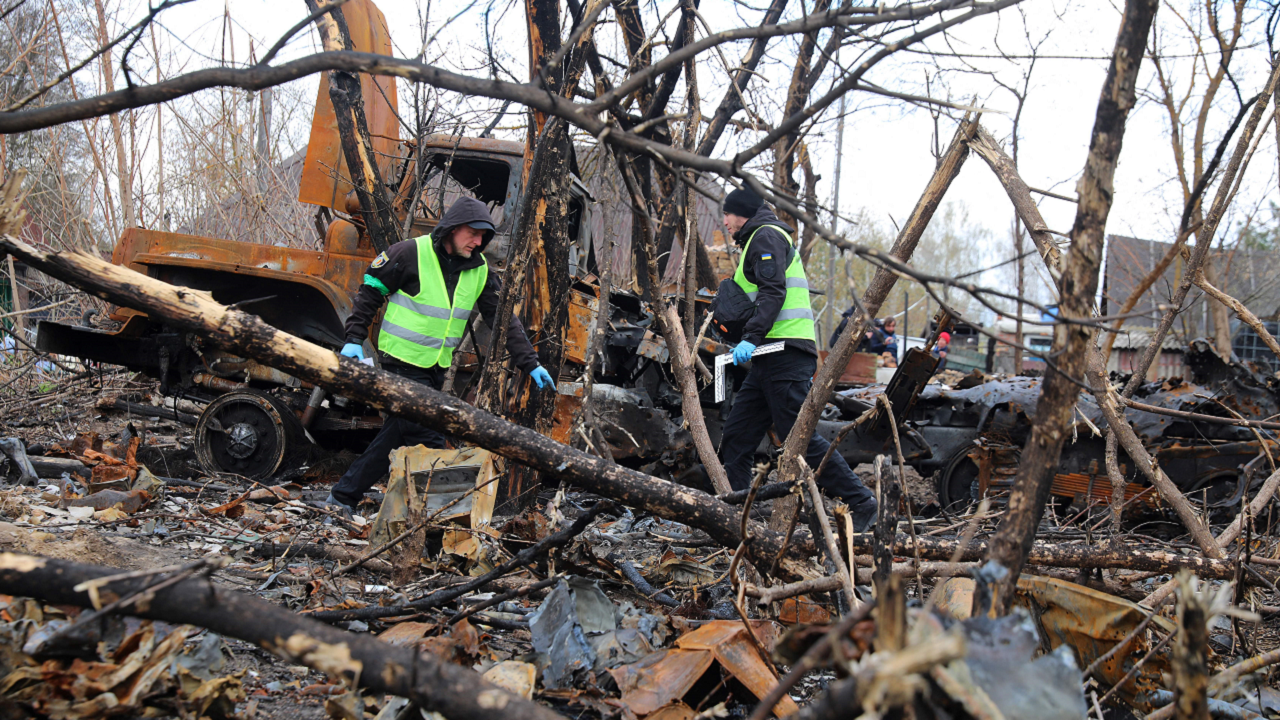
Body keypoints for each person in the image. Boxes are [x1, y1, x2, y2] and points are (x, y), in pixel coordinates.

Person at [326, 197, 554, 514]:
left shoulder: (479, 270)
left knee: (398, 433)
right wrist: (353, 338)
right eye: (473, 233)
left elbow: (502, 321)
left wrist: (530, 362)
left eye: (483, 237)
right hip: (401, 362)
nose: (478, 242)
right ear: (452, 228)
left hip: (435, 368)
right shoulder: (409, 253)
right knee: (428, 435)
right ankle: (443, 509)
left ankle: (348, 499)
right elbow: (370, 291)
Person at [717, 188, 877, 531]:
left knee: (798, 437)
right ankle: (740, 514)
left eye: (727, 214)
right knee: (737, 436)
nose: (725, 222)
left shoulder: (766, 237)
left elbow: (774, 293)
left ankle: (862, 501)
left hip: (785, 355)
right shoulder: (758, 240)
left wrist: (749, 337)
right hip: (768, 357)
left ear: (740, 213)